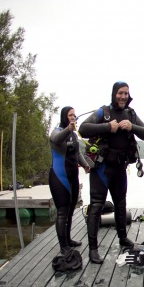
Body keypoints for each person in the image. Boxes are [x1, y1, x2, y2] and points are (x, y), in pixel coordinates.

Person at [79, 81, 144, 263]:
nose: (123, 96)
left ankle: (123, 238)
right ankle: (93, 250)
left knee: (120, 204)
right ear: (114, 94)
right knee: (96, 206)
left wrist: (131, 127)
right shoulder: (103, 112)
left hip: (120, 168)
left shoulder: (130, 114)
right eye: (120, 93)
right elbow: (83, 129)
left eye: (126, 93)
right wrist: (107, 127)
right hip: (102, 168)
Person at [49, 106, 90, 254]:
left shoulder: (74, 134)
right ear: (64, 117)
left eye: (74, 115)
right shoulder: (58, 131)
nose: (73, 117)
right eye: (70, 115)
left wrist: (85, 165)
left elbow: (78, 152)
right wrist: (68, 128)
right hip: (59, 176)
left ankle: (68, 239)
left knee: (71, 210)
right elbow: (55, 139)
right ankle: (63, 246)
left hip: (73, 176)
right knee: (62, 211)